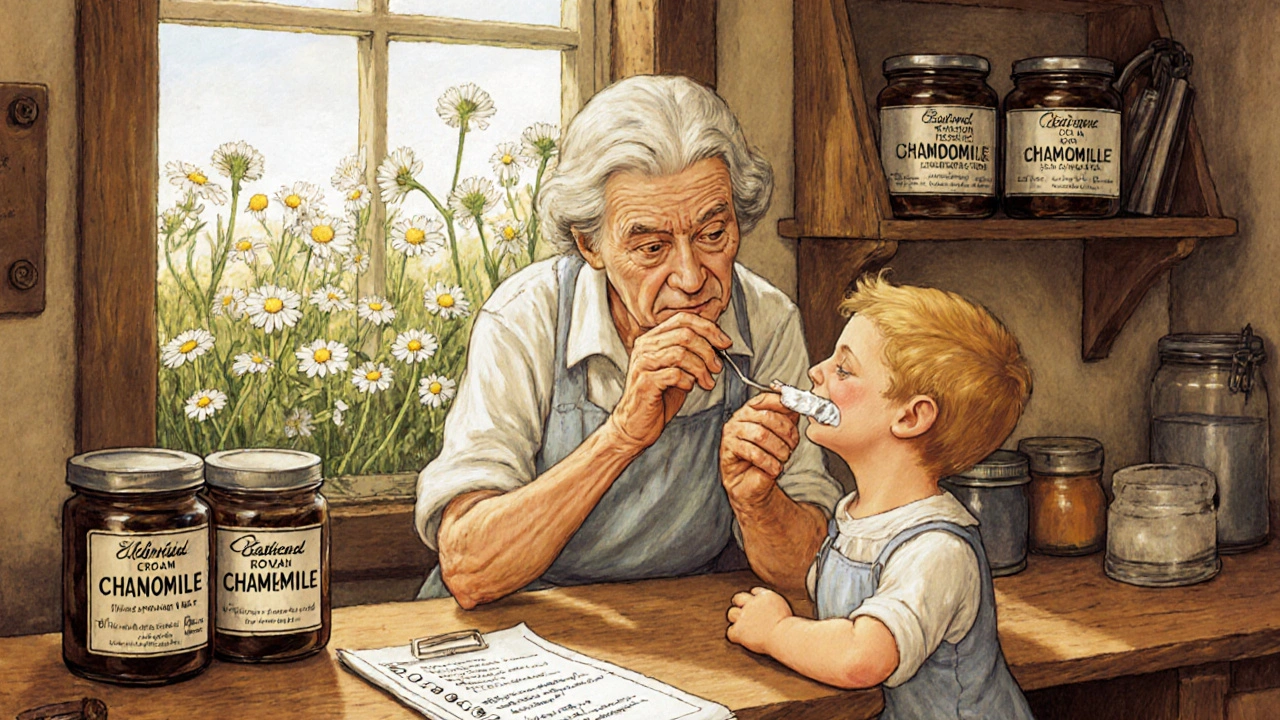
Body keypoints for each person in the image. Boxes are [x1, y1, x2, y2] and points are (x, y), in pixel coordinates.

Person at [413, 75, 843, 608]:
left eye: (712, 236)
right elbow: (469, 569)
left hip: (675, 624)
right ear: (590, 245)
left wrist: (758, 503)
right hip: (517, 621)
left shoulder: (768, 320)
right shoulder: (525, 319)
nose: (690, 276)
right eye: (652, 246)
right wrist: (620, 437)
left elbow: (809, 569)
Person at [724, 273, 1036, 719]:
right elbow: (819, 585)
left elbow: (861, 658)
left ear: (911, 417)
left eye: (844, 369)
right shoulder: (856, 519)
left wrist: (776, 631)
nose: (817, 371)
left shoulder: (936, 552)